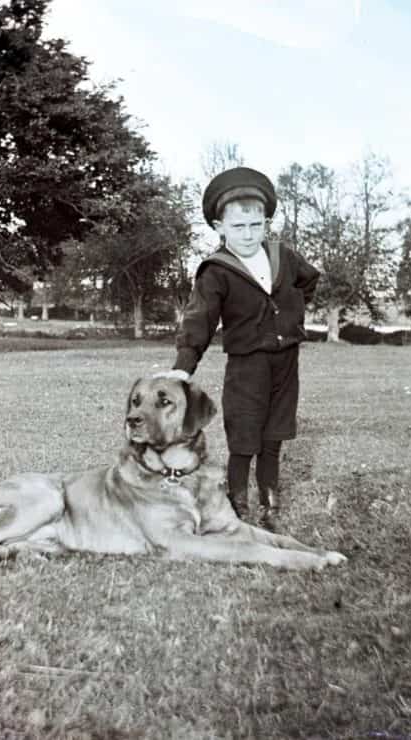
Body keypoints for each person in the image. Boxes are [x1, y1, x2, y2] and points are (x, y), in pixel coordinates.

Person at [165, 166, 320, 531]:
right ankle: (238, 505)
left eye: (256, 226)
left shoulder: (284, 256)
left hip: (286, 360)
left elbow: (309, 281)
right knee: (245, 433)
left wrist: (289, 315)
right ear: (220, 227)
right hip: (246, 365)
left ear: (266, 222)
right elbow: (198, 320)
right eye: (238, 227)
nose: (248, 235)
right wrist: (183, 366)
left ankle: (270, 500)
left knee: (275, 432)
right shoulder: (216, 271)